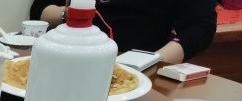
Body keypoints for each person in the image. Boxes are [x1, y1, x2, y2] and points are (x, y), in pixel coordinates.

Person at [29, 0, 218, 63]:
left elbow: (201, 27)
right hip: (66, 57)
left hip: (138, 70)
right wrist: (74, 14)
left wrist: (149, 63)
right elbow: (40, 9)